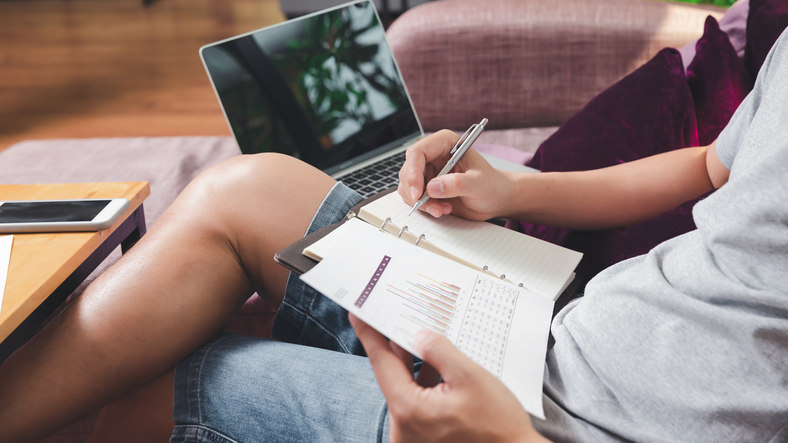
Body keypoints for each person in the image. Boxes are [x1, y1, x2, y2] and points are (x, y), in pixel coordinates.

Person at [2, 27, 788, 443]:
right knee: (250, 186)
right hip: (561, 338)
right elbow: (718, 169)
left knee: (157, 390)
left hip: (571, 427)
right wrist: (517, 187)